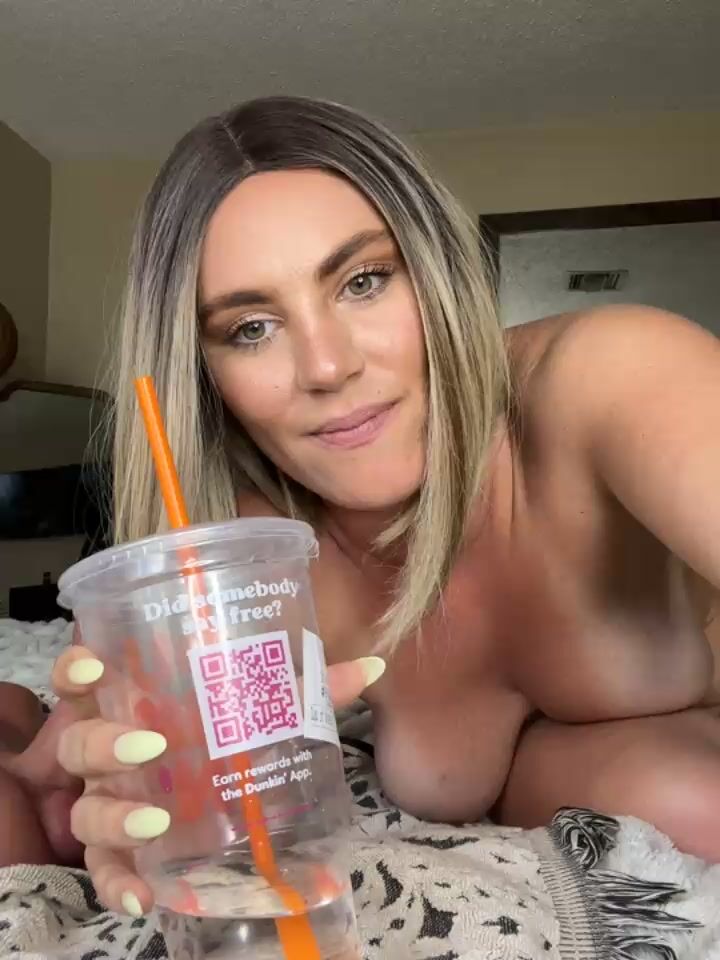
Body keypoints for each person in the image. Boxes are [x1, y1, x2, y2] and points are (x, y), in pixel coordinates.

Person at [3, 95, 720, 918]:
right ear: (205, 374)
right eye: (250, 328)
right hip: (599, 773)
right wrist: (116, 797)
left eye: (364, 281)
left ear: (436, 271)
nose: (327, 365)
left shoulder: (612, 376)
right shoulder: (255, 566)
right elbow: (53, 792)